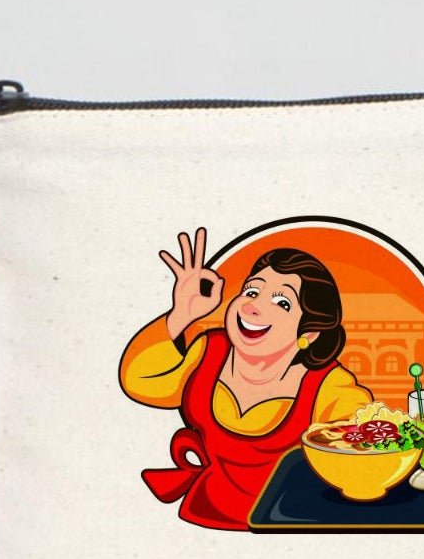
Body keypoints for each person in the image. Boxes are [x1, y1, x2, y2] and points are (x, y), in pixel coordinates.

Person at [119, 227, 372, 530]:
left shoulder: (330, 387)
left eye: (282, 302)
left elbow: (361, 457)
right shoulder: (209, 350)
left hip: (288, 526)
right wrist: (181, 314)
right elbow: (140, 381)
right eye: (252, 291)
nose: (253, 306)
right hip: (202, 516)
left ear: (310, 332)